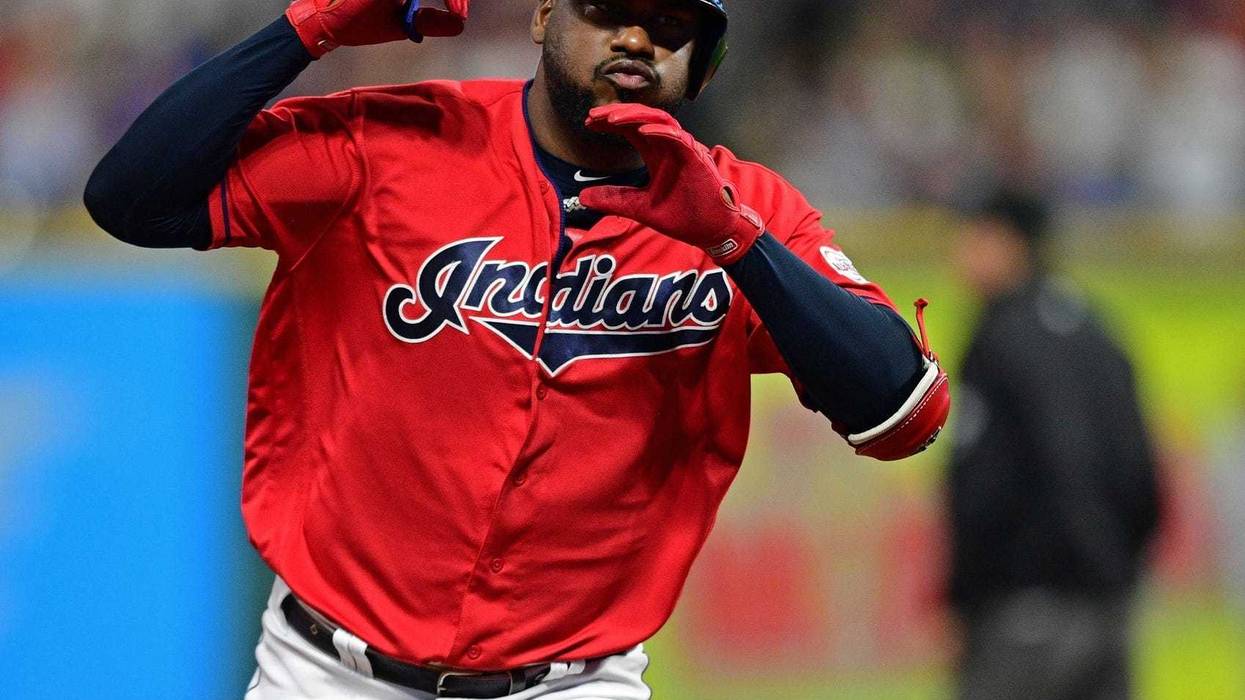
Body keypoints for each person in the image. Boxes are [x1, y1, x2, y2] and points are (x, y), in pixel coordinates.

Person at [84, 1, 950, 697]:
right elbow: (133, 201)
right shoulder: (396, 143)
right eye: (606, 10)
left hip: (573, 682)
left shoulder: (744, 210)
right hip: (325, 671)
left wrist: (735, 243)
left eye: (670, 25)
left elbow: (902, 414)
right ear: (542, 16)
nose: (636, 38)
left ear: (703, 65)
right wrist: (311, 25)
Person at [948, 189, 1161, 700]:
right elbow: (1141, 474)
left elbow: (983, 487)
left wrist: (965, 595)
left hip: (1020, 613)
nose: (959, 255)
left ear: (1012, 243)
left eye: (974, 237)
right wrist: (1114, 573)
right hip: (1107, 608)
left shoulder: (998, 338)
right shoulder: (1096, 331)